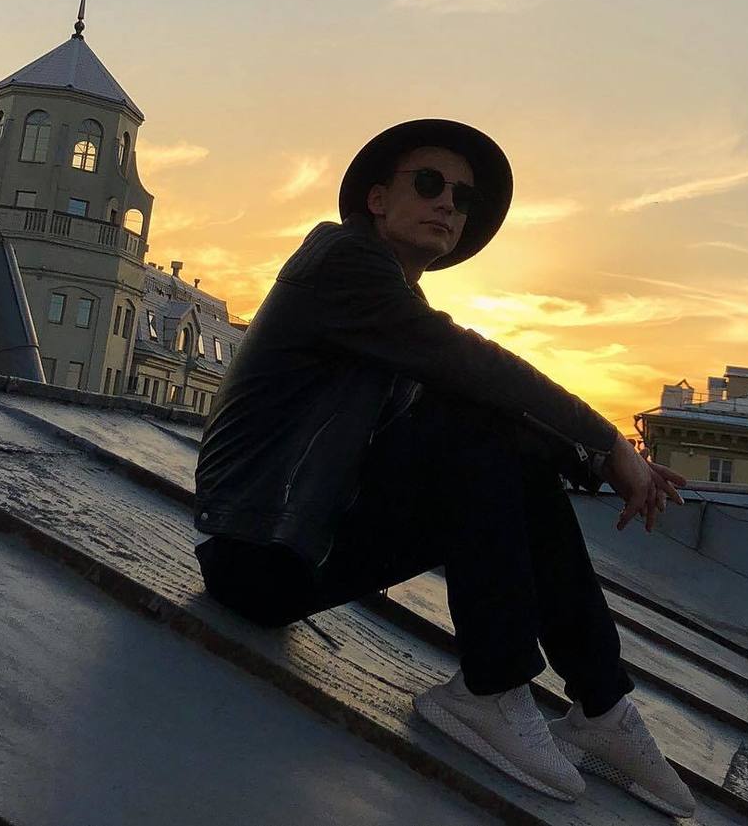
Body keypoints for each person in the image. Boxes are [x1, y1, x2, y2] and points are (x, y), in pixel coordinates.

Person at [194, 119, 695, 817]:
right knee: (480, 417)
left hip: (309, 543)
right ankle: (493, 688)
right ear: (377, 199)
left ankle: (600, 704)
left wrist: (601, 457)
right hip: (254, 552)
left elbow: (479, 390)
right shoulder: (340, 261)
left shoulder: (396, 302)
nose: (448, 204)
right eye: (429, 183)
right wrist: (609, 444)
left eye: (462, 198)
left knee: (512, 446)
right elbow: (470, 363)